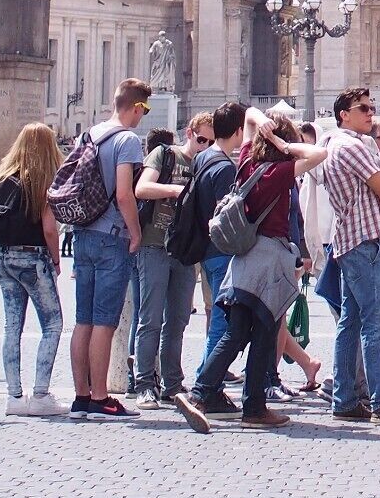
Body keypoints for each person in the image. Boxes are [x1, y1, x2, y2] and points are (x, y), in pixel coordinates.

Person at [192, 116, 327, 428]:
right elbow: (319, 154)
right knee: (265, 331)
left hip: (243, 260)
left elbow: (250, 114)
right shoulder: (279, 173)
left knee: (237, 330)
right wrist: (286, 145)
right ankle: (254, 407)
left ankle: (202, 391)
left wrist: (264, 128)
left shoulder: (246, 163)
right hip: (269, 258)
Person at [323, 87, 380, 425]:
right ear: (344, 114)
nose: (370, 113)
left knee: (351, 322)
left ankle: (345, 399)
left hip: (350, 241)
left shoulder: (334, 144)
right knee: (375, 325)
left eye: (372, 107)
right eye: (363, 108)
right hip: (365, 242)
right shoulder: (353, 146)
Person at [67, 79, 150, 420]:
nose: (143, 117)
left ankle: (81, 396)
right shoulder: (128, 140)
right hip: (110, 235)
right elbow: (123, 194)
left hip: (83, 233)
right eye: (143, 110)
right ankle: (101, 397)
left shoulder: (91, 133)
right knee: (105, 322)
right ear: (135, 107)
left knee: (82, 320)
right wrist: (135, 233)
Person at [0, 122, 67, 416]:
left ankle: (14, 397)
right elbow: (50, 229)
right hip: (33, 258)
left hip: (3, 257)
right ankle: (40, 394)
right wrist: (55, 260)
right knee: (52, 325)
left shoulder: (2, 177)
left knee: (12, 327)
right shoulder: (44, 179)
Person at [184, 103, 251, 403]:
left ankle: (205, 376)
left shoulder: (203, 158)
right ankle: (206, 385)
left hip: (206, 250)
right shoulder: (225, 168)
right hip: (222, 251)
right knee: (223, 324)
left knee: (219, 321)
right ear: (238, 131)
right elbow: (227, 216)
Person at [129, 125, 196, 408]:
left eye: (210, 141)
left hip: (184, 250)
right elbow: (142, 188)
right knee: (150, 318)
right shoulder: (164, 154)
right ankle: (145, 383)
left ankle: (172, 383)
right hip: (154, 244)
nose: (204, 145)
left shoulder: (205, 163)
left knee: (178, 320)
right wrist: (176, 189)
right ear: (191, 132)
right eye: (201, 138)